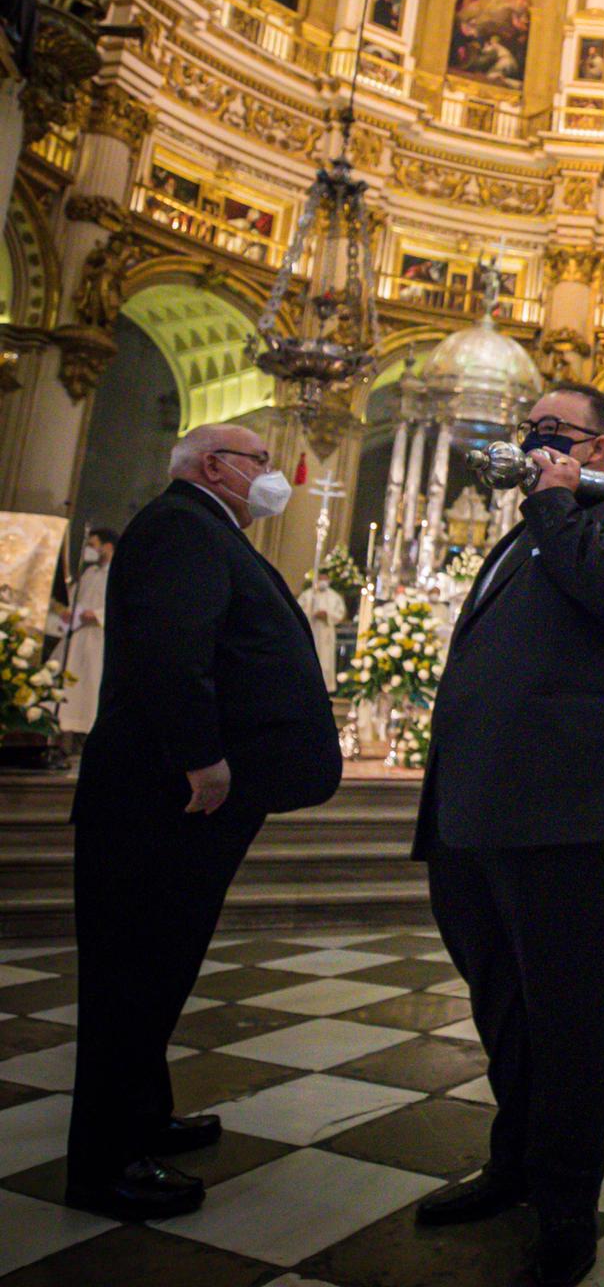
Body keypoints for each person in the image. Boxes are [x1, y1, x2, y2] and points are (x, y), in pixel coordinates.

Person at [412, 382, 604, 1287]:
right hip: (478, 809)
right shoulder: (529, 532)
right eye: (528, 429)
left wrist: (558, 504)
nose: (532, 442)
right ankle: (514, 1166)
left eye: (555, 433)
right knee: (502, 1005)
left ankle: (568, 1207)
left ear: (599, 449)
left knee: (568, 1019)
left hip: (575, 815)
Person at [66, 425, 341, 1221]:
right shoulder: (180, 528)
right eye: (260, 461)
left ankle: (143, 1117)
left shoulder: (199, 529)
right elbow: (169, 653)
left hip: (181, 803)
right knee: (132, 978)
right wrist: (201, 756)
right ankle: (104, 1164)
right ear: (217, 467)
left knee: (161, 969)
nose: (271, 475)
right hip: (163, 798)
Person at [47, 527, 116, 738]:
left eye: (92, 545)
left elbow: (117, 605)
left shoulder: (115, 574)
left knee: (89, 686)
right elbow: (73, 597)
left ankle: (85, 736)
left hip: (96, 636)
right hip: (77, 634)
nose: (89, 549)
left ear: (108, 547)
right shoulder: (89, 573)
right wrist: (69, 612)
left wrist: (96, 615)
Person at [298, 576, 348, 691]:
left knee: (325, 661)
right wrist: (312, 613)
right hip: (311, 630)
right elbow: (299, 610)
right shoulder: (307, 595)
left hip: (326, 632)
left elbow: (340, 613)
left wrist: (327, 615)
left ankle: (325, 688)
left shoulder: (334, 596)